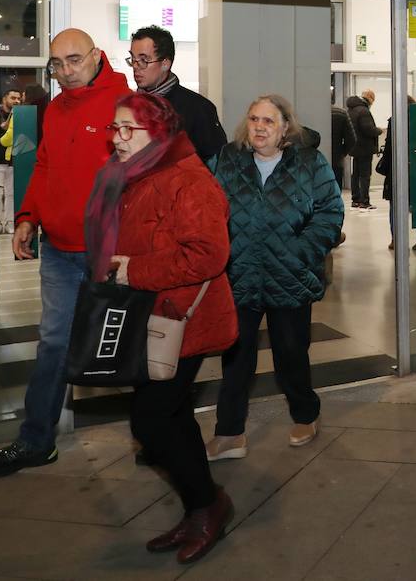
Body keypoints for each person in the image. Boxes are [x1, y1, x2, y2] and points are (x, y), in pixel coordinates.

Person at [87, 92, 237, 564]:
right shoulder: (130, 175)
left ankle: (209, 504)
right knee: (170, 419)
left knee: (151, 422)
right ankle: (201, 506)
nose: (118, 138)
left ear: (160, 133)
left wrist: (132, 271)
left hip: (181, 322)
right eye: (115, 128)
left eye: (129, 128)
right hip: (143, 316)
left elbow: (208, 255)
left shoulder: (188, 180)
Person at [0, 29, 129, 477]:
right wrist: (28, 217)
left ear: (97, 56)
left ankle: (157, 433)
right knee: (54, 344)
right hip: (61, 252)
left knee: (126, 345)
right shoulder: (57, 107)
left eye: (74, 60)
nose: (65, 71)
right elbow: (43, 165)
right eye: (57, 64)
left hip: (109, 252)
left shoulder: (126, 104)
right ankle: (36, 440)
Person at [207, 95, 344, 459]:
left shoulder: (309, 163)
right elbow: (205, 205)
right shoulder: (227, 160)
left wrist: (302, 252)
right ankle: (229, 431)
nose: (259, 127)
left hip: (291, 276)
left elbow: (330, 212)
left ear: (286, 127)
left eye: (269, 121)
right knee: (236, 359)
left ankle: (305, 414)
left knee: (291, 354)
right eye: (254, 119)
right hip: (241, 275)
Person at [128, 25, 228, 162]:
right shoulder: (128, 106)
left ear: (165, 64)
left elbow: (216, 165)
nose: (135, 66)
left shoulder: (198, 108)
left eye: (144, 60)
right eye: (133, 59)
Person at [380, 96, 416, 250]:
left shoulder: (395, 120)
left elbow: (389, 147)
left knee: (395, 205)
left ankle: (396, 239)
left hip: (397, 167)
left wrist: (384, 167)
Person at [347, 90, 381, 210]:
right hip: (365, 147)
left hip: (355, 146)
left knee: (355, 174)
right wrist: (378, 131)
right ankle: (364, 201)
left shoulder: (352, 109)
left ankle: (355, 199)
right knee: (365, 175)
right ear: (370, 99)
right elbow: (368, 129)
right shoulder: (364, 111)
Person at [0, 88, 23, 233]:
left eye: (19, 98)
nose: (17, 101)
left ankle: (10, 222)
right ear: (5, 98)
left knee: (11, 193)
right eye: (13, 98)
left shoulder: (20, 114)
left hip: (13, 158)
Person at [328, 99, 357, 191]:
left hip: (315, 160)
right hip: (336, 160)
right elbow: (352, 139)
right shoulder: (341, 112)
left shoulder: (312, 111)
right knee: (335, 193)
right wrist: (342, 152)